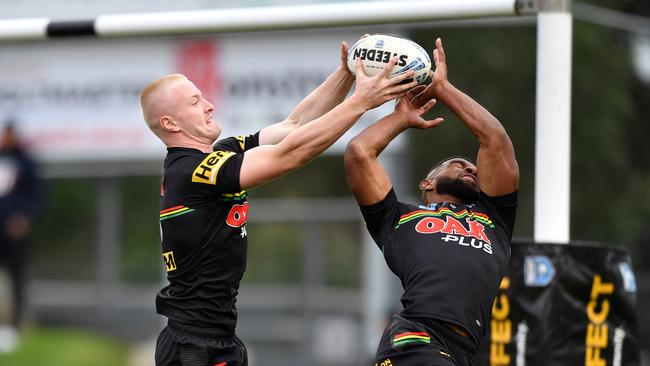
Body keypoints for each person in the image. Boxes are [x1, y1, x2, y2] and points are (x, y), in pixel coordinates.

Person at [140, 40, 419, 366]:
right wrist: (361, 102)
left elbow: (294, 127)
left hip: (217, 337)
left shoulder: (217, 156)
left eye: (202, 96)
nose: (209, 105)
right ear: (170, 124)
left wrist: (347, 73)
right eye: (194, 102)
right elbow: (291, 154)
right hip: (193, 345)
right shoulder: (192, 172)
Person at [344, 38, 519, 366]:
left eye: (472, 167)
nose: (469, 167)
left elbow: (494, 139)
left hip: (464, 351)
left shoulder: (494, 217)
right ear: (427, 182)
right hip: (415, 337)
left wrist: (442, 89)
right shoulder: (397, 218)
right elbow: (359, 154)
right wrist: (400, 118)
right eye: (457, 163)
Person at [0, 122, 42, 352]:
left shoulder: (25, 162)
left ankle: (16, 324)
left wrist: (24, 218)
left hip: (13, 231)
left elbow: (36, 194)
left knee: (17, 277)